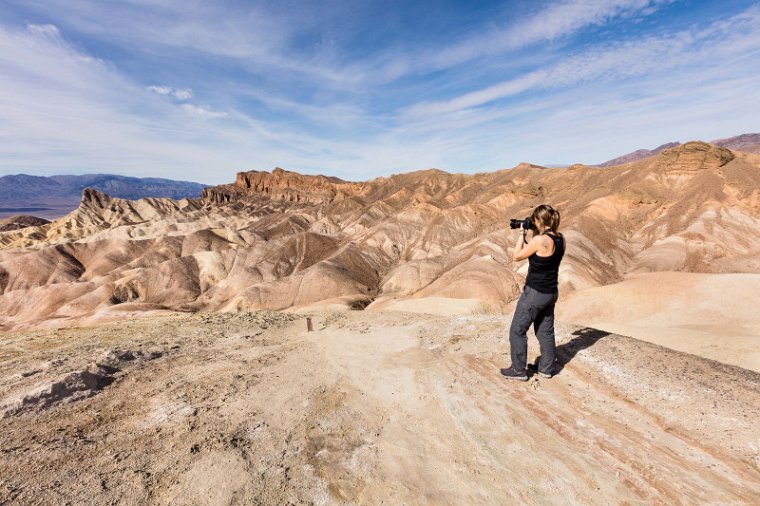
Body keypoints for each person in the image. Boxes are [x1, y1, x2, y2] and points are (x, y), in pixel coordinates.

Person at [501, 204, 565, 381]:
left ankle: (518, 370)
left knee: (517, 330)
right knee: (545, 332)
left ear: (538, 220)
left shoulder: (539, 241)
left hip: (535, 293)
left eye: (533, 220)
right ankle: (546, 368)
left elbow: (516, 256)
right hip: (551, 292)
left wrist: (522, 234)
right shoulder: (560, 239)